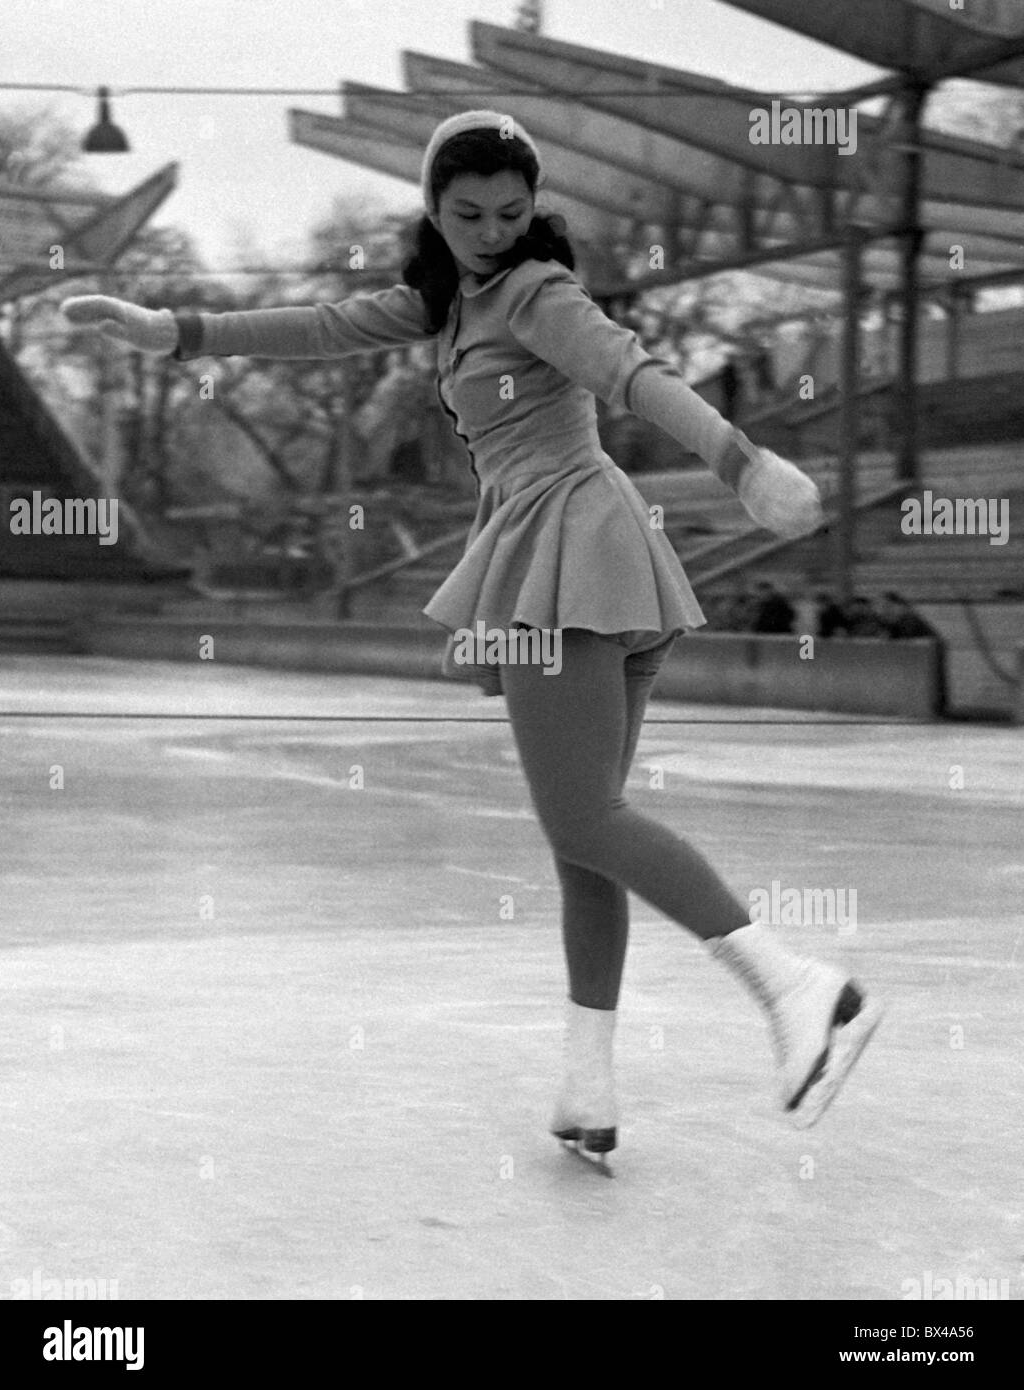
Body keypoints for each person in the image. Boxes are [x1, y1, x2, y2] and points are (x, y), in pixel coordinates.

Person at [61, 109, 882, 1166]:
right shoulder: (444, 308)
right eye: (467, 213)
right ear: (433, 209)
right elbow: (320, 325)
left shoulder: (534, 292)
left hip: (567, 550)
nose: (491, 230)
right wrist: (172, 331)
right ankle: (587, 1085)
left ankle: (798, 987)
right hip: (585, 549)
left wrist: (737, 462)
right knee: (582, 839)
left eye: (510, 211)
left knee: (584, 816)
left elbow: (629, 375)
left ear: (530, 209)